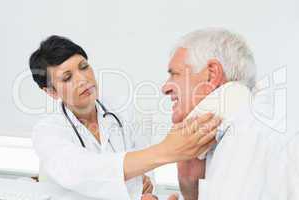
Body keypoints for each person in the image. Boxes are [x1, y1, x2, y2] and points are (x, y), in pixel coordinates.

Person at [29, 35, 221, 200]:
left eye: (84, 67)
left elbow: (145, 177)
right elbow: (81, 171)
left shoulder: (122, 110)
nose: (83, 79)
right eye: (67, 77)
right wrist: (166, 151)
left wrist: (148, 195)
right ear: (51, 92)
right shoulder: (47, 132)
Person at [162, 28, 283, 200]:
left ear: (212, 74)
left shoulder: (251, 139)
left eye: (175, 74)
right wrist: (189, 183)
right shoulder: (223, 141)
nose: (165, 88)